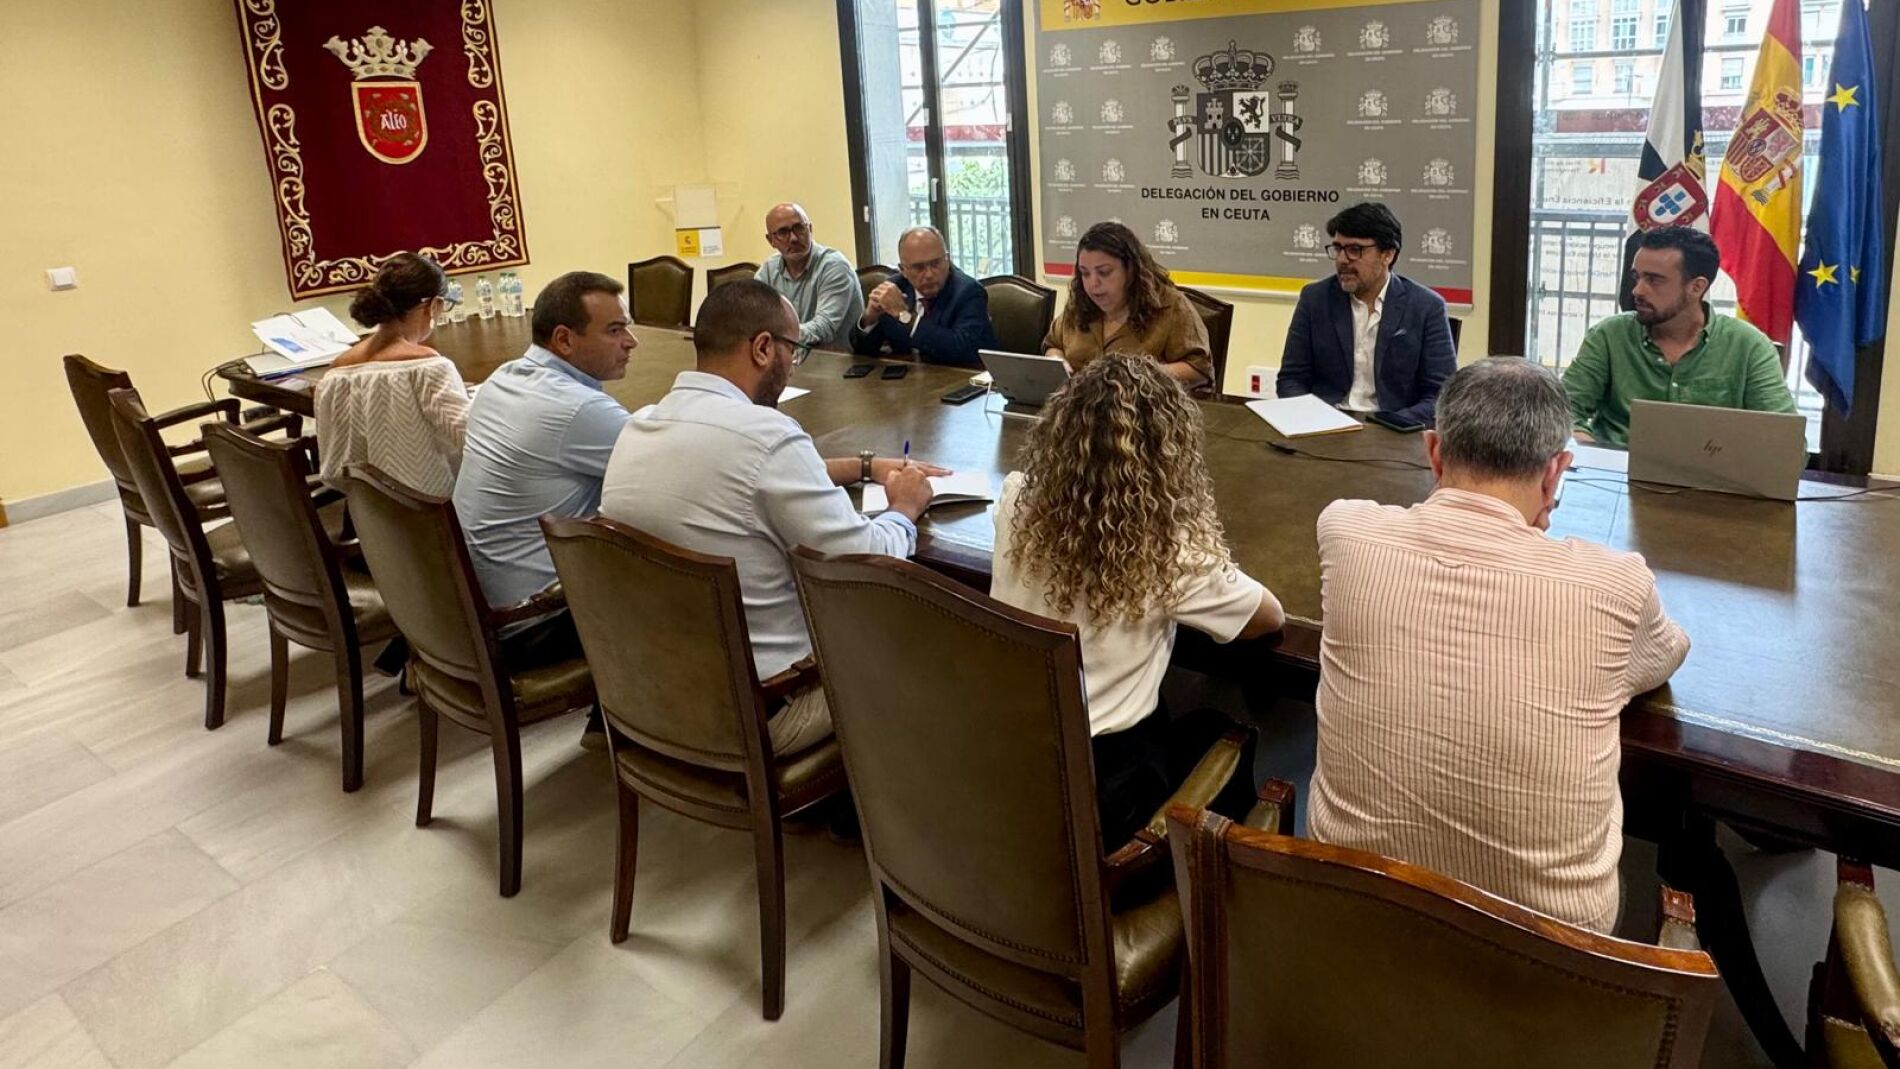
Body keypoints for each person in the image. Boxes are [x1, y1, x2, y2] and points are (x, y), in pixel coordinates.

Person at [1308, 357, 1691, 934]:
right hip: (1548, 958)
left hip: (1347, 921)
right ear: (1556, 471)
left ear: (1434, 452)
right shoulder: (1615, 582)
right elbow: (1665, 654)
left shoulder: (1346, 532)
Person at [600, 279, 942, 755]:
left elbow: (745, 478)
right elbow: (866, 562)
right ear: (763, 348)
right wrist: (904, 507)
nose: (792, 363)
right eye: (793, 350)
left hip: (650, 694)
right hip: (764, 708)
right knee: (938, 637)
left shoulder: (639, 426)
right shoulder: (767, 435)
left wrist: (862, 466)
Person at [990, 353, 1284, 846]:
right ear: (1168, 452)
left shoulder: (1017, 499)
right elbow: (1269, 617)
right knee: (1220, 727)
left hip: (1007, 751)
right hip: (1108, 793)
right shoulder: (1167, 551)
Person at [453, 271, 638, 742]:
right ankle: (636, 731)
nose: (630, 342)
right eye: (615, 330)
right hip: (526, 625)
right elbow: (676, 474)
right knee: (689, 576)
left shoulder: (502, 379)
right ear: (564, 340)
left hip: (463, 608)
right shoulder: (579, 410)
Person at [1564, 225, 1797, 447]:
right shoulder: (1609, 335)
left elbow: (1784, 440)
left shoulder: (1748, 346)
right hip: (1613, 470)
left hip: (1710, 472)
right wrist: (1590, 449)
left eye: (1654, 280)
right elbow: (1561, 412)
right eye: (1637, 277)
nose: (1637, 290)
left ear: (1696, 287)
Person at [1276, 201, 1457, 427]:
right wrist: (1313, 419)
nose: (1342, 260)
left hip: (1395, 428)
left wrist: (1390, 425)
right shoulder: (1315, 299)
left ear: (1387, 255)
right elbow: (1291, 379)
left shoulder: (1426, 306)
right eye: (1338, 248)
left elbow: (1441, 395)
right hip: (1325, 424)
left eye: (1355, 250)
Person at [316, 253, 470, 497]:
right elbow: (471, 440)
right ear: (434, 306)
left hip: (363, 511)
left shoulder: (336, 371)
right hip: (430, 509)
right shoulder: (428, 368)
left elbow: (332, 462)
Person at [1041, 221, 1214, 396]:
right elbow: (1053, 345)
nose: (1093, 284)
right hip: (1079, 407)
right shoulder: (1080, 302)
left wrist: (1138, 377)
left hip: (1143, 408)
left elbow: (1199, 370)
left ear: (1131, 270)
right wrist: (1057, 362)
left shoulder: (1170, 306)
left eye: (1104, 272)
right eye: (1085, 273)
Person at [850, 226, 999, 368]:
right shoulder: (895, 289)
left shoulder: (968, 292)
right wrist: (869, 318)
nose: (929, 274)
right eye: (919, 268)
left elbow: (959, 350)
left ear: (947, 259)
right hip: (909, 379)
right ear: (903, 270)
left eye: (935, 264)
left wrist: (905, 317)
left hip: (962, 379)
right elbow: (863, 351)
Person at [753, 202, 864, 351]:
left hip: (834, 358)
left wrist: (777, 337)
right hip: (788, 356)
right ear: (771, 240)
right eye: (783, 232)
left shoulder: (834, 266)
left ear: (810, 229)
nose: (793, 238)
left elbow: (824, 327)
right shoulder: (768, 270)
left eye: (799, 228)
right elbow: (754, 319)